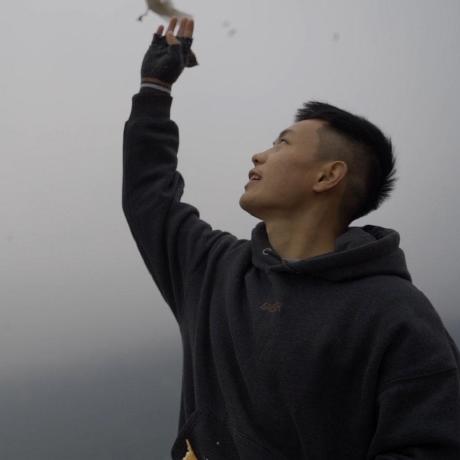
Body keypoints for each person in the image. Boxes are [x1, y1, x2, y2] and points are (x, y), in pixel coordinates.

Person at [122, 16, 460, 460]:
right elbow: (149, 198)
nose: (259, 154)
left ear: (327, 175)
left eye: (282, 143)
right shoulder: (216, 271)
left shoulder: (395, 314)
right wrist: (154, 89)